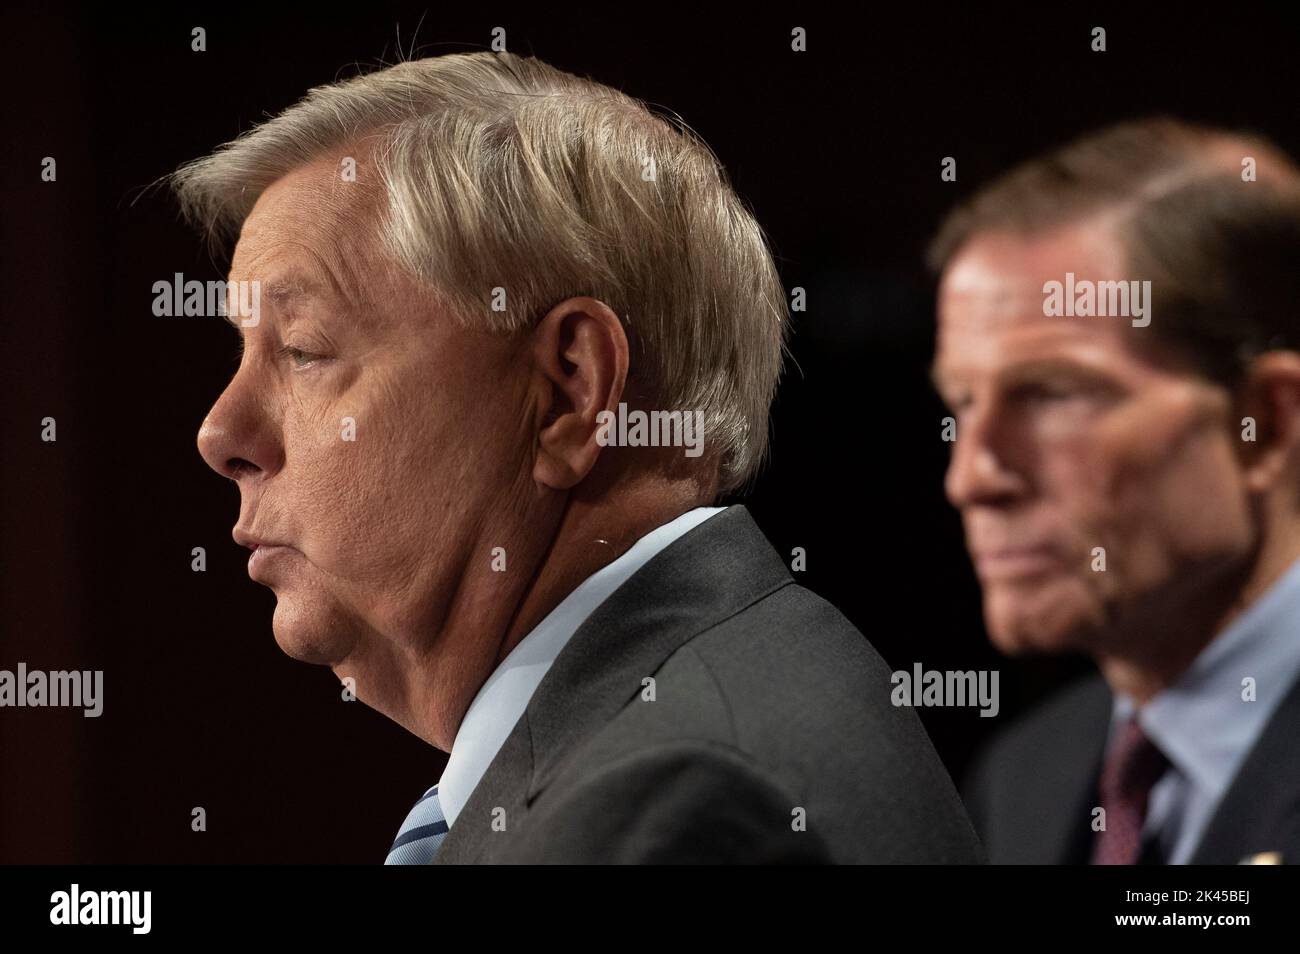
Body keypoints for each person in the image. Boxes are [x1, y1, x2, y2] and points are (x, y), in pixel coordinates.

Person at [182, 51, 981, 863]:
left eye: (305, 349)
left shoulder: (673, 806)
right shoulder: (711, 695)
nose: (221, 434)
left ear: (569, 393)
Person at [928, 117, 1300, 864]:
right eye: (962, 403)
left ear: (1265, 423)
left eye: (1054, 396)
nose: (969, 478)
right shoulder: (1024, 776)